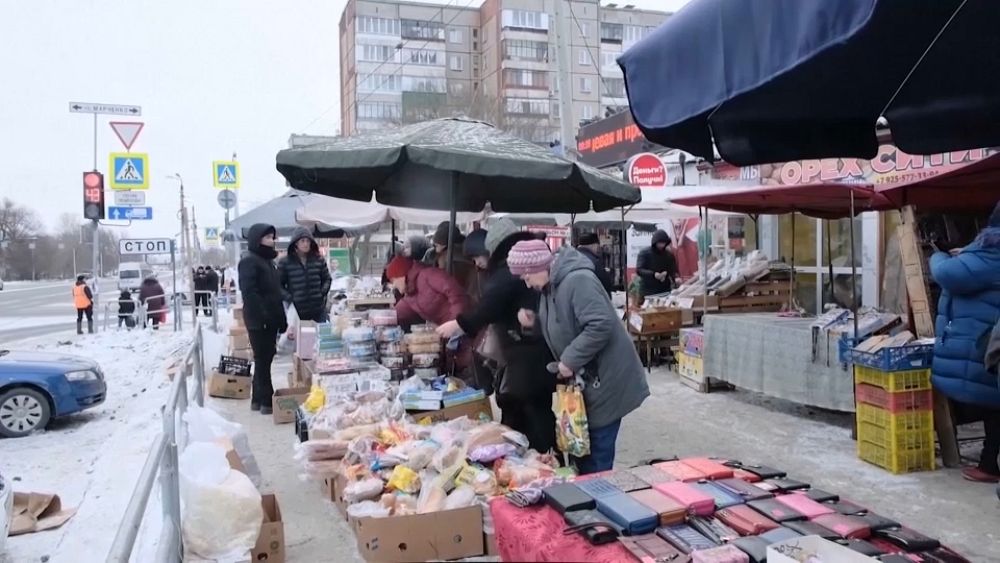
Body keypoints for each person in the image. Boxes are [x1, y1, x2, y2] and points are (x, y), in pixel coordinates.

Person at [510, 239, 649, 474]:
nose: (526, 283)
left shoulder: (578, 281)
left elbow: (600, 324)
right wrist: (534, 323)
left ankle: (597, 502)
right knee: (583, 452)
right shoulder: (549, 287)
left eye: (525, 276)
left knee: (597, 458)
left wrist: (570, 360)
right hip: (588, 381)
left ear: (539, 267)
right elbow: (562, 324)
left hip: (607, 380)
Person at [437, 218, 557, 452]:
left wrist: (458, 324)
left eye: (478, 257)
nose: (478, 263)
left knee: (525, 410)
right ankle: (533, 456)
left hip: (526, 357)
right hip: (532, 352)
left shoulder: (508, 270)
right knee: (526, 409)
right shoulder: (518, 264)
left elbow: (488, 306)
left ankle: (540, 459)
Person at [929, 203, 1000, 483]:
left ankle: (990, 465)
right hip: (986, 336)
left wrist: (940, 256)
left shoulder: (992, 252)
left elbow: (947, 274)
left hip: (983, 341)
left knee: (993, 406)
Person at [239, 223, 287, 415]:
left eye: (272, 237)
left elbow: (275, 293)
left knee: (266, 358)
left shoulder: (268, 262)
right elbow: (250, 293)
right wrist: (264, 317)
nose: (272, 241)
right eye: (268, 237)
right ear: (257, 239)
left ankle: (258, 399)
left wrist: (280, 319)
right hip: (258, 319)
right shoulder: (250, 261)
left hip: (270, 318)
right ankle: (266, 399)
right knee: (263, 358)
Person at [279, 227, 333, 323]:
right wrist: (290, 298)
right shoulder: (285, 262)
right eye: (302, 241)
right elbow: (278, 285)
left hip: (318, 309)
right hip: (297, 311)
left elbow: (327, 279)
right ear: (296, 243)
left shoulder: (318, 260)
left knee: (320, 335)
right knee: (300, 337)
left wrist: (322, 292)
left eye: (308, 241)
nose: (305, 244)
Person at [636, 229, 679, 296]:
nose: (662, 245)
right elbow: (639, 270)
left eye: (664, 243)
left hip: (664, 290)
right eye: (660, 243)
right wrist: (654, 274)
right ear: (655, 242)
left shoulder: (668, 255)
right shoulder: (645, 253)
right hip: (647, 290)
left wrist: (667, 273)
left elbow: (673, 269)